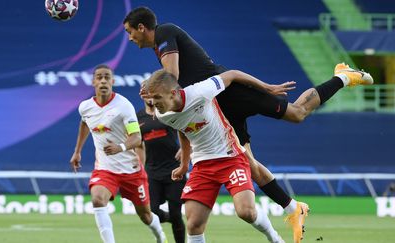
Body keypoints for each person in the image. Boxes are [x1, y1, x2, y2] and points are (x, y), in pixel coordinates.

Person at [123, 6, 374, 242]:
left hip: (230, 94)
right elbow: (178, 108)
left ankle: (343, 75)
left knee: (297, 113)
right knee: (248, 163)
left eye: (129, 31)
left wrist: (264, 86)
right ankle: (293, 208)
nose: (130, 37)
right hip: (218, 108)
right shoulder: (161, 60)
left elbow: (174, 79)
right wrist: (185, 156)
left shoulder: (165, 32)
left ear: (142, 27)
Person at [146, 69, 290, 243]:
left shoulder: (200, 91)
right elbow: (183, 130)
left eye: (157, 97)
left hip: (231, 156)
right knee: (193, 224)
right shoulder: (162, 114)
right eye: (151, 98)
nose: (153, 103)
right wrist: (185, 164)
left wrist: (266, 87)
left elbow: (233, 74)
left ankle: (274, 238)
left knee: (246, 212)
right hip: (202, 165)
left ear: (174, 93)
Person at [69, 64, 167, 243]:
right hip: (105, 170)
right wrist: (77, 152)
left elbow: (137, 138)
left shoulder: (124, 106)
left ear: (113, 81)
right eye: (99, 77)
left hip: (131, 171)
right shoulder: (85, 107)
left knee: (145, 215)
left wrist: (120, 147)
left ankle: (160, 234)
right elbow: (84, 123)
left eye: (107, 77)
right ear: (93, 82)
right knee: (98, 200)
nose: (103, 80)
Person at [135, 97, 186, 243]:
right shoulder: (137, 117)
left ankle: (174, 220)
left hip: (174, 170)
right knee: (151, 211)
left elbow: (188, 127)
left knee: (177, 214)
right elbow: (138, 144)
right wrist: (140, 165)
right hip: (152, 172)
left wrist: (185, 148)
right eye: (146, 93)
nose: (150, 97)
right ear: (142, 95)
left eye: (153, 92)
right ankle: (170, 218)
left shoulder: (168, 111)